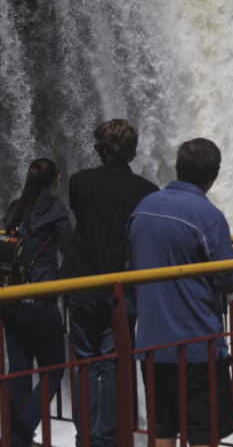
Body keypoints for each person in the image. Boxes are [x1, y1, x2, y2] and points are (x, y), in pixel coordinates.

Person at [127, 138, 233, 447]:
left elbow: (130, 267)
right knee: (203, 433)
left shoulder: (142, 209)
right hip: (198, 346)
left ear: (177, 166)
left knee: (162, 431)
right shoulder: (209, 216)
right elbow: (227, 279)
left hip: (151, 344)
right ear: (214, 175)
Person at [62, 119, 158, 447]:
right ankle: (109, 439)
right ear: (131, 152)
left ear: (103, 149)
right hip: (121, 288)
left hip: (82, 286)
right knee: (114, 364)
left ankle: (85, 438)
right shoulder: (146, 191)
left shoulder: (79, 182)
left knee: (86, 365)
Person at [0, 158, 72, 447]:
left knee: (19, 372)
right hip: (42, 301)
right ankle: (20, 437)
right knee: (53, 372)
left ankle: (12, 435)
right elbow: (68, 247)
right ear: (56, 180)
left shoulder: (14, 209)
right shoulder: (55, 208)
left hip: (12, 301)